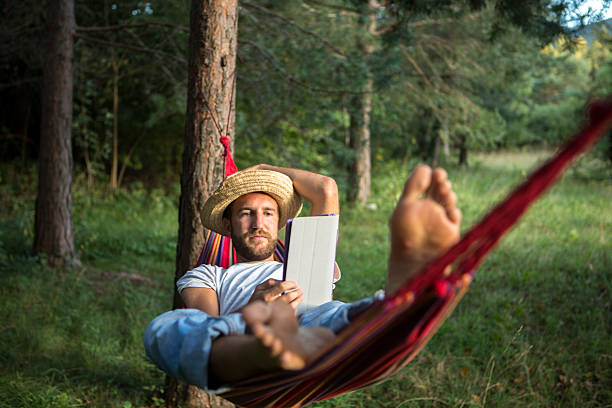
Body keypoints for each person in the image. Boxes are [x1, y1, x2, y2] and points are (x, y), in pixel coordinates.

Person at [144, 163, 461, 392]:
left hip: (311, 326)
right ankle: (260, 345)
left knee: (329, 312)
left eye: (268, 213)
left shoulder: (304, 258)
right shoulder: (207, 274)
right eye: (246, 213)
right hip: (240, 340)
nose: (258, 223)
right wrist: (250, 310)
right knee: (164, 327)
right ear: (227, 227)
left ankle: (399, 297)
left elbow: (325, 188)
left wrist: (266, 168)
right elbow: (205, 326)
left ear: (280, 223)